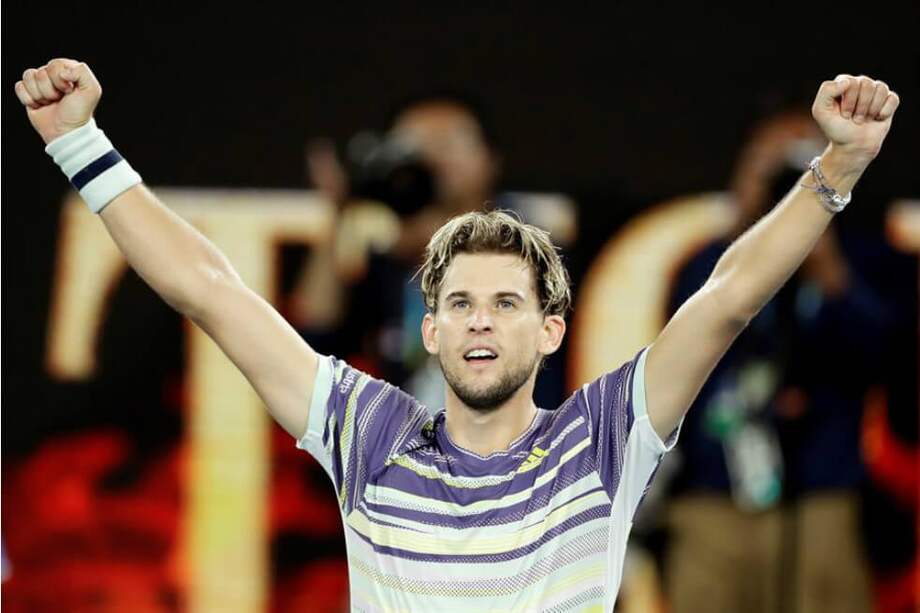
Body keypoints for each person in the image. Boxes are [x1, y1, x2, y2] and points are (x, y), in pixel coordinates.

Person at [15, 58, 900, 611]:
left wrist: (840, 165)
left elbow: (729, 295)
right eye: (462, 302)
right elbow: (208, 290)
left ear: (551, 330)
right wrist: (79, 146)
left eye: (507, 302)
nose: (481, 317)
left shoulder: (601, 439)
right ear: (431, 329)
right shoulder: (368, 430)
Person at [664, 110, 885, 613]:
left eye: (809, 164)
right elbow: (682, 344)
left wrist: (825, 261)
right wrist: (747, 220)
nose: (791, 179)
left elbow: (878, 352)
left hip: (820, 498)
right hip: (715, 499)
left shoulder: (860, 254)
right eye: (776, 165)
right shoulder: (709, 263)